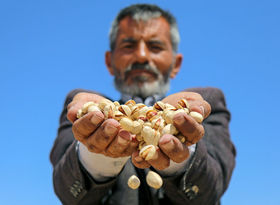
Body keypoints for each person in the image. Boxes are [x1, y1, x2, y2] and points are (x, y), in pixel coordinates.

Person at [50, 4, 236, 205]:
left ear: (176, 64)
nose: (141, 56)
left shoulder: (206, 102)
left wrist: (179, 149)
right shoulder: (83, 107)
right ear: (109, 61)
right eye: (128, 46)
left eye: (155, 46)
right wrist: (97, 151)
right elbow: (67, 191)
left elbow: (211, 189)